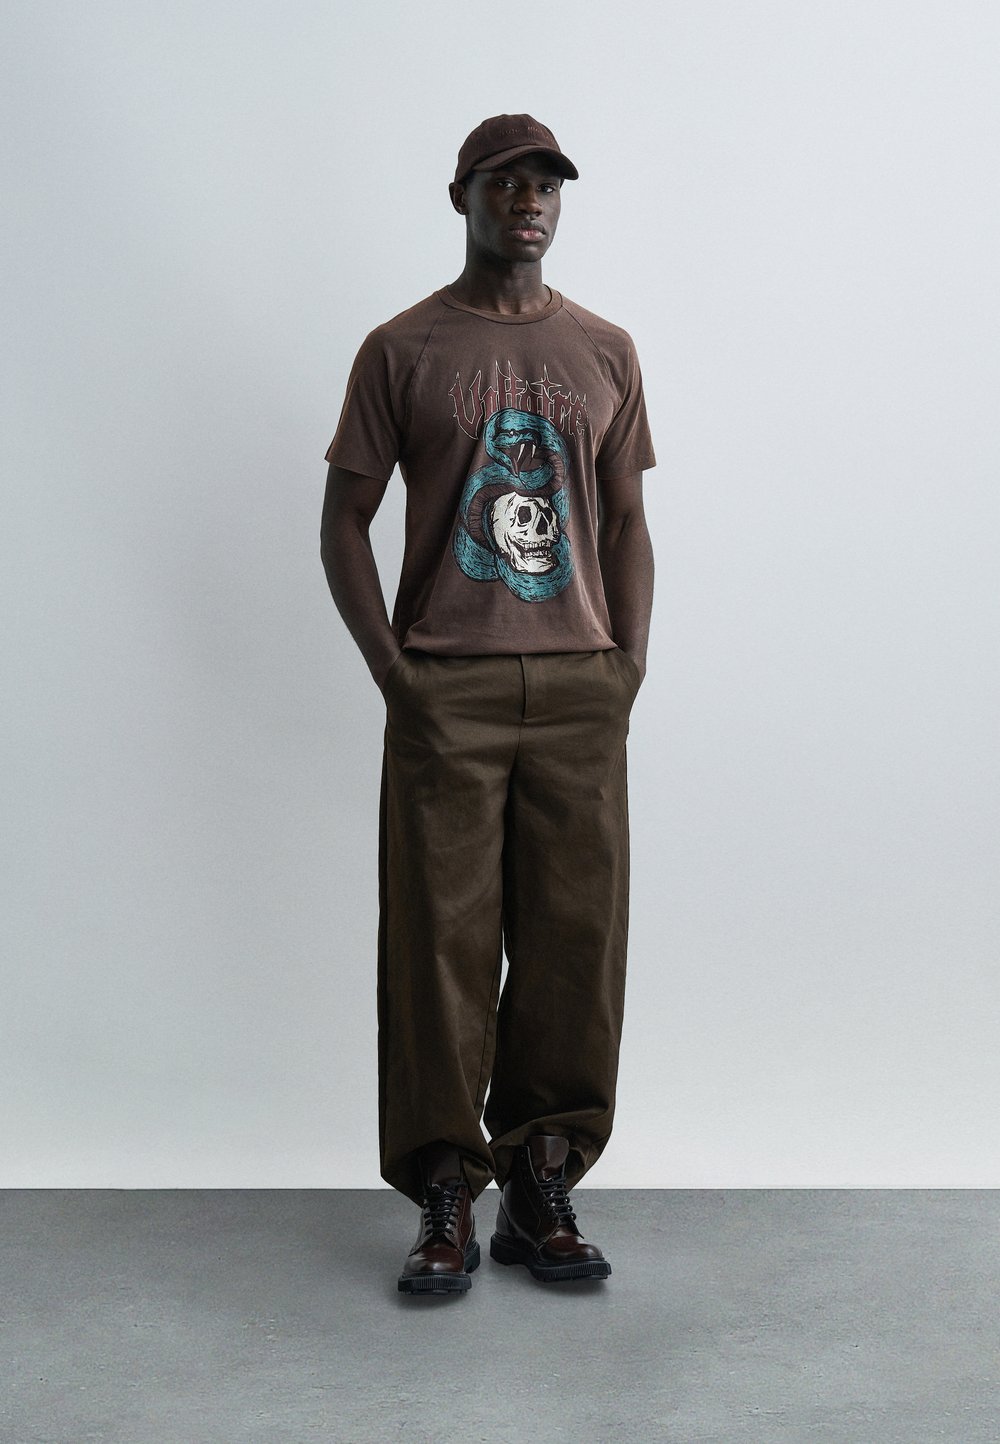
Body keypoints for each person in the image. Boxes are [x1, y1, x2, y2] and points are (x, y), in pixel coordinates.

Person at [320, 114, 655, 1294]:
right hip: (446, 688)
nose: (528, 202)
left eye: (546, 185)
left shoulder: (605, 348)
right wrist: (392, 672)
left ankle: (541, 1180)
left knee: (574, 940)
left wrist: (626, 663)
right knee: (438, 942)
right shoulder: (401, 347)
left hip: (578, 686)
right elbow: (342, 521)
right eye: (505, 183)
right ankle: (445, 1191)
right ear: (461, 196)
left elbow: (627, 520)